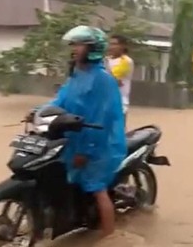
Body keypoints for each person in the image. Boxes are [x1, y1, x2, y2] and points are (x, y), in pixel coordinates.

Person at [45, 25, 127, 238]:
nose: (74, 48)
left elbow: (100, 121)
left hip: (99, 146)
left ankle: (110, 238)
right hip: (74, 137)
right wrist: (37, 112)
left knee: (97, 188)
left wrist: (86, 152)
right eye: (73, 44)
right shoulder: (77, 74)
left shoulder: (103, 80)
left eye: (79, 44)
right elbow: (60, 100)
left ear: (92, 48)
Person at [106, 34, 134, 122]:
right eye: (110, 44)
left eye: (115, 44)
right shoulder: (107, 60)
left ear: (123, 46)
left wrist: (105, 64)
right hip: (104, 103)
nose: (111, 47)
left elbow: (113, 80)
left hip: (119, 103)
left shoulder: (126, 61)